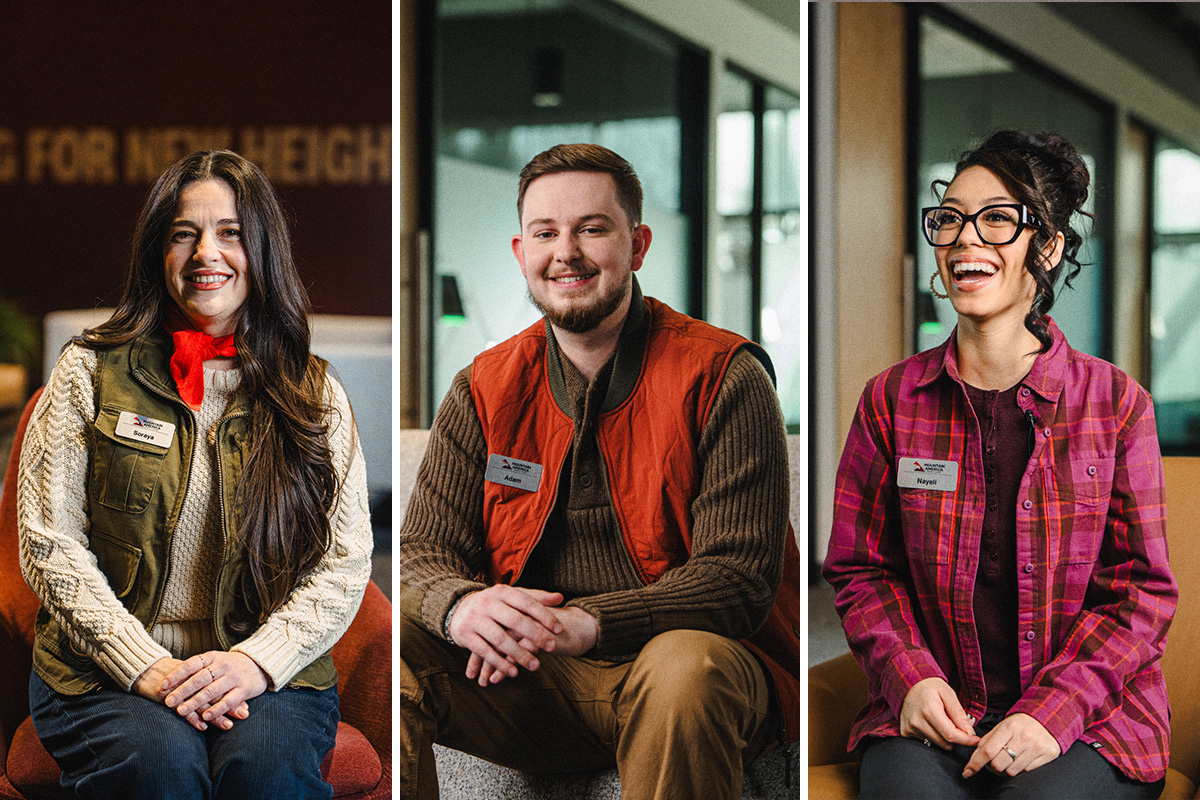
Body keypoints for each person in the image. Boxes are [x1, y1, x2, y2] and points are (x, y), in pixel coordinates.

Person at [398, 143, 800, 800]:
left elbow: (738, 581)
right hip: (536, 677)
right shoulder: (483, 388)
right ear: (520, 252)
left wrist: (589, 622)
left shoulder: (725, 376)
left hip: (687, 669)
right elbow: (420, 557)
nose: (566, 253)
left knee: (682, 668)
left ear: (637, 245)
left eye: (592, 229)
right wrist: (462, 606)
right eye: (545, 233)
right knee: (394, 644)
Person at [823, 130, 1176, 799]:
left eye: (996, 219)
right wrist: (911, 679)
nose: (964, 240)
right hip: (938, 714)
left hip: (1089, 721)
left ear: (1047, 247)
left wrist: (1054, 712)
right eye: (950, 219)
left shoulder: (1117, 403)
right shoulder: (890, 401)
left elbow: (1141, 594)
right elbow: (861, 569)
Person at [18, 149, 373, 799]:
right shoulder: (87, 371)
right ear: (158, 251)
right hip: (106, 667)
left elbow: (344, 562)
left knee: (264, 773)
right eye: (185, 233)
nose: (207, 252)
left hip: (266, 671)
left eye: (230, 233)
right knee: (160, 768)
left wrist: (254, 663)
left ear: (261, 249)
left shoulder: (313, 391)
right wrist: (145, 665)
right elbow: (48, 544)